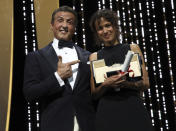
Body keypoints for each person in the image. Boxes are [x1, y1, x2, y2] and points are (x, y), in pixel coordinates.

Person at [23, 6, 95, 131]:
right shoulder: (36, 57)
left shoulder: (89, 56)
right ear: (52, 25)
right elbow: (30, 93)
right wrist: (58, 77)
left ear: (74, 28)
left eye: (70, 22)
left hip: (87, 123)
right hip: (54, 124)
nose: (64, 25)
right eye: (60, 20)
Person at [89, 9, 154, 131]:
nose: (105, 31)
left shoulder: (132, 48)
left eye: (108, 25)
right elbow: (94, 94)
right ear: (97, 33)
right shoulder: (94, 56)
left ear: (115, 26)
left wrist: (126, 84)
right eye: (100, 28)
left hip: (132, 108)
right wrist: (105, 85)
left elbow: (145, 84)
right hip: (107, 113)